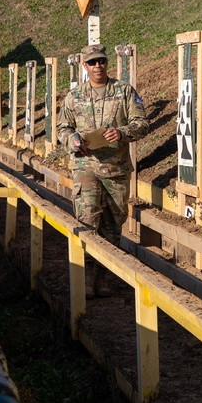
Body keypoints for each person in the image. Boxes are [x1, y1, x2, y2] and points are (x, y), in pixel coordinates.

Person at [56, 43, 150, 296]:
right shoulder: (74, 97)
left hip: (116, 169)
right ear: (84, 66)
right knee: (87, 220)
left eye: (101, 61)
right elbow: (62, 128)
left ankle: (103, 279)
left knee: (112, 225)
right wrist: (73, 140)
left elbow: (142, 124)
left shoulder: (124, 91)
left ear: (106, 64)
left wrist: (121, 132)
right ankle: (85, 278)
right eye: (92, 62)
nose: (98, 66)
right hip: (85, 166)